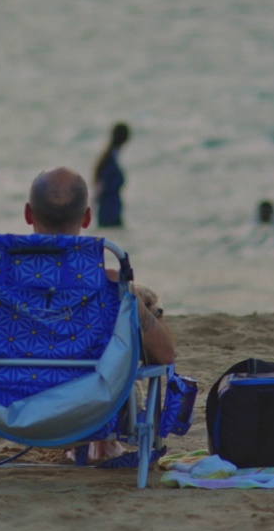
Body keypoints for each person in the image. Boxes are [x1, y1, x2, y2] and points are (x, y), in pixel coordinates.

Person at [25, 167, 174, 366]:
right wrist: (137, 302)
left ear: (28, 214)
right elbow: (165, 355)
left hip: (0, 394)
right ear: (87, 217)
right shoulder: (110, 285)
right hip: (90, 395)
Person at [92, 123, 130, 228]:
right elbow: (101, 185)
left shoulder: (109, 157)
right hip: (109, 209)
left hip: (110, 207)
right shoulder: (110, 160)